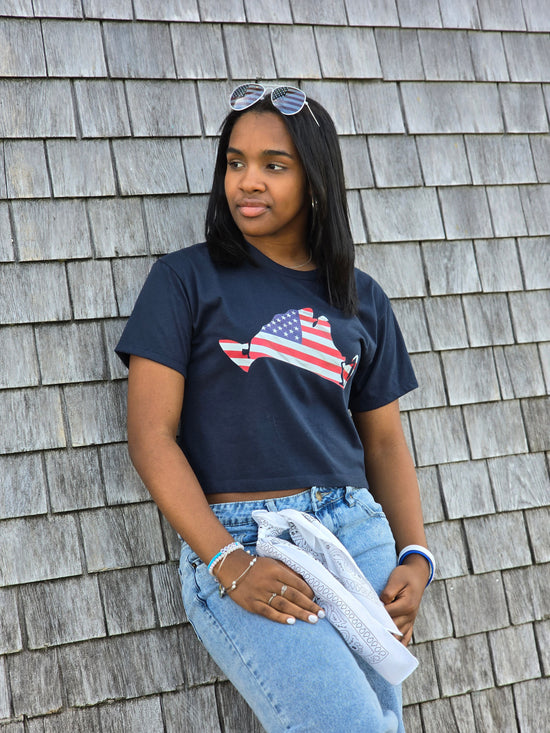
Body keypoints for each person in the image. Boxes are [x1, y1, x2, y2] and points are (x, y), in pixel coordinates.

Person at [116, 83, 434, 733]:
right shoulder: (183, 281)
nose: (247, 181)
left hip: (359, 538)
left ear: (315, 181)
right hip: (246, 538)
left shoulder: (361, 299)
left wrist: (415, 556)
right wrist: (228, 560)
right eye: (235, 162)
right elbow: (151, 437)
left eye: (273, 165)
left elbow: (384, 445)